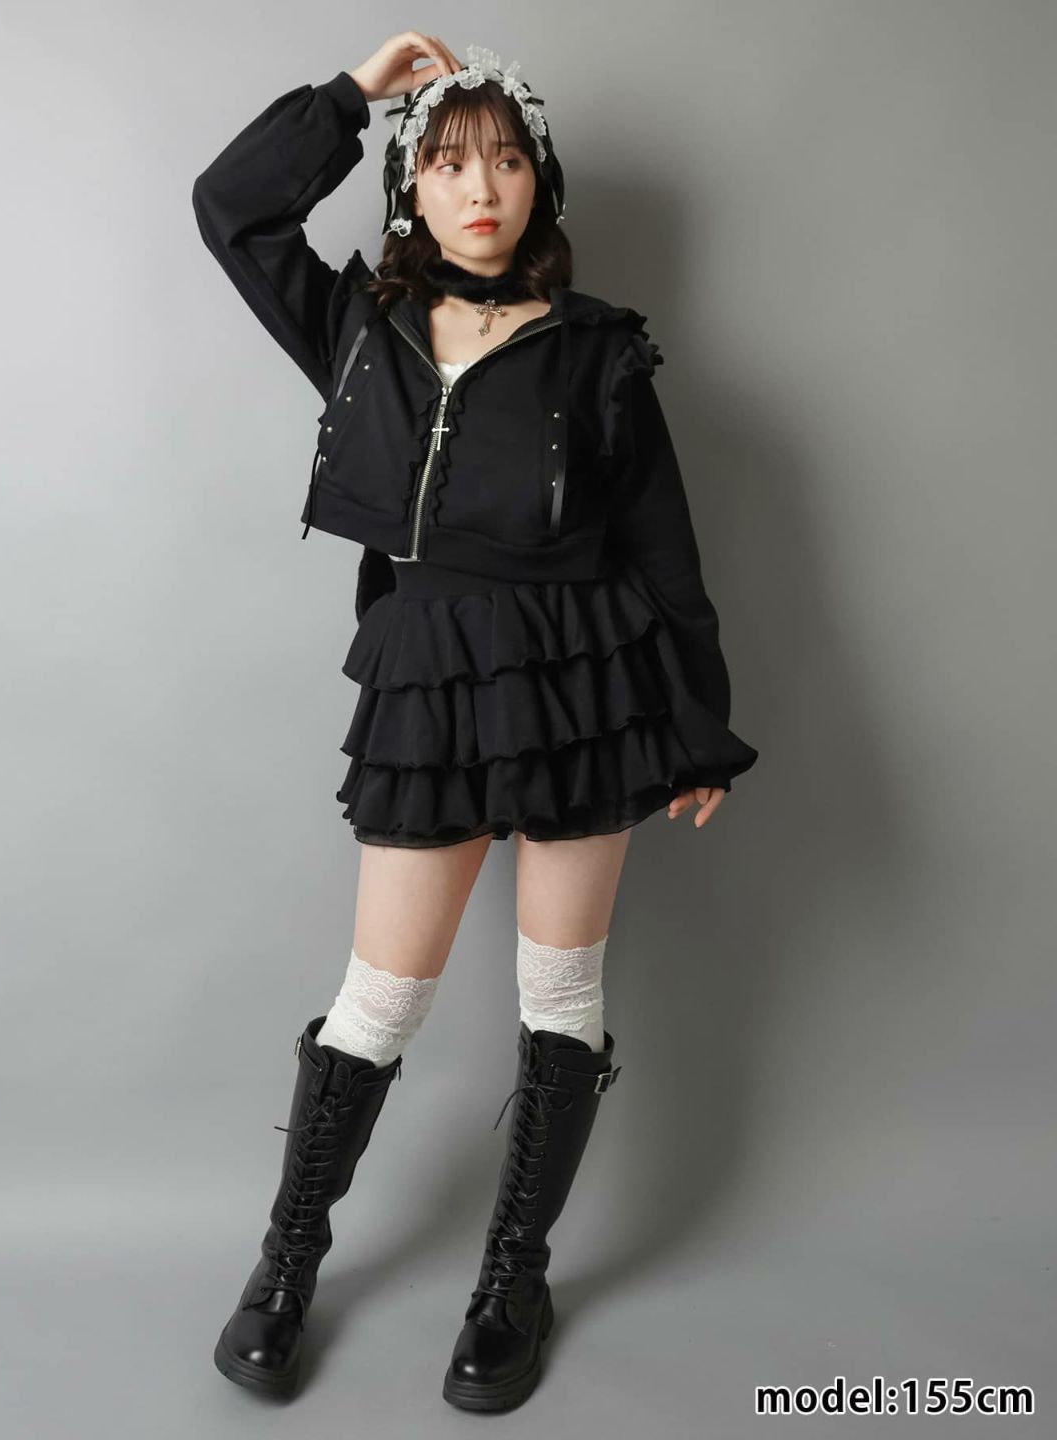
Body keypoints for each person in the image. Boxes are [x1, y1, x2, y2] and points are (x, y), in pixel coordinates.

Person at [191, 32, 759, 1411]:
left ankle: (514, 1280)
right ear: (412, 189)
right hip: (429, 676)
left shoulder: (599, 350)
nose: (482, 188)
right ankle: (286, 1264)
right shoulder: (357, 328)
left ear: (539, 182)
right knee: (380, 1000)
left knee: (560, 997)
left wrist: (697, 723)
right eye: (449, 164)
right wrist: (352, 96)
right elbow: (231, 208)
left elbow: (666, 551)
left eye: (506, 161)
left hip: (584, 680)